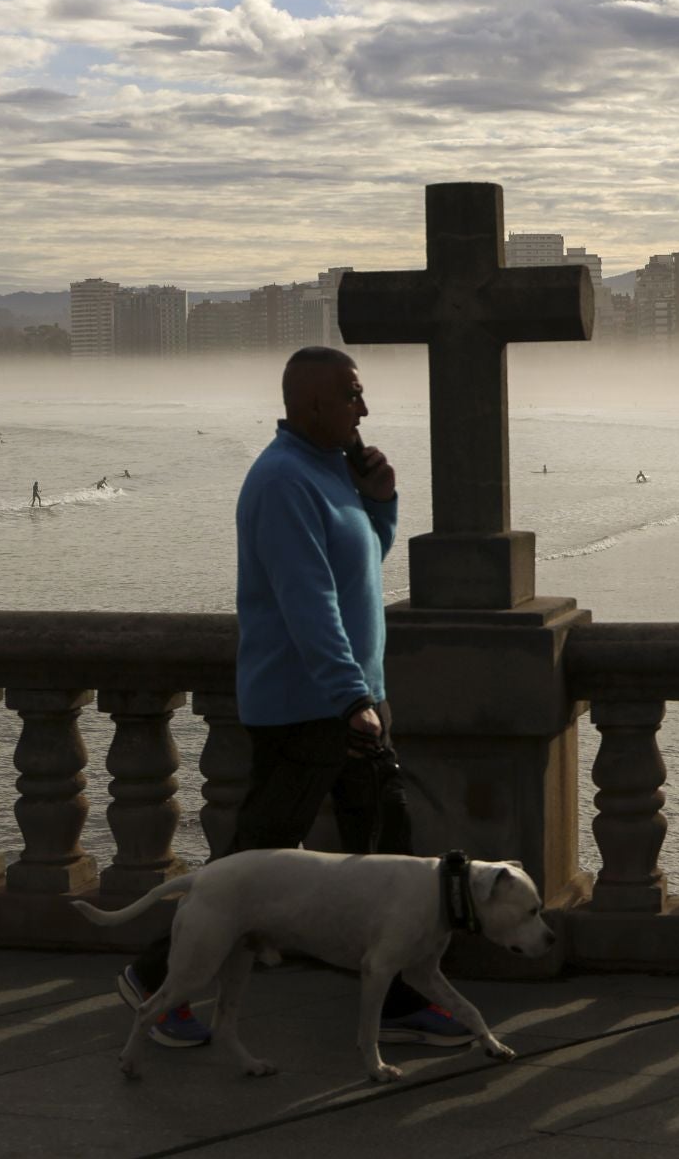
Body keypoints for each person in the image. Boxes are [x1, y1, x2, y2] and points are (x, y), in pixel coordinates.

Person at [120, 347, 472, 1052]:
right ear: (309, 404)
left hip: (349, 699)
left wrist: (382, 502)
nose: (363, 408)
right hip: (306, 706)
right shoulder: (282, 480)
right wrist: (349, 698)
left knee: (385, 851)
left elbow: (360, 564)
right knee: (255, 858)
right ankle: (152, 977)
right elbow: (307, 601)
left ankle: (399, 993)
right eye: (351, 395)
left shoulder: (331, 469)